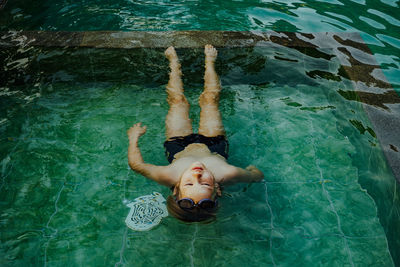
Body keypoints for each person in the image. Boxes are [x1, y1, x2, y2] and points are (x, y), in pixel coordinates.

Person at [127, 44, 264, 222]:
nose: (197, 175)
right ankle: (210, 62)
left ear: (176, 188)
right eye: (205, 183)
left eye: (189, 183)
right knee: (210, 100)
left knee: (177, 101)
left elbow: (137, 166)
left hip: (178, 144)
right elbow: (256, 176)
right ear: (218, 188)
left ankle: (174, 64)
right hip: (214, 143)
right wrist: (252, 172)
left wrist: (133, 139)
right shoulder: (229, 174)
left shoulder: (168, 176)